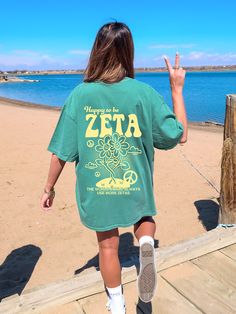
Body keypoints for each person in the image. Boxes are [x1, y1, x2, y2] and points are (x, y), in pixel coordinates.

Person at [40, 21, 187, 314]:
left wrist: (49, 187)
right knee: (143, 217)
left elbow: (61, 153)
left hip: (98, 188)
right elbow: (179, 134)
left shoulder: (80, 95)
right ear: (129, 51)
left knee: (108, 247)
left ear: (97, 51)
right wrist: (176, 88)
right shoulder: (143, 93)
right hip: (136, 183)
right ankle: (145, 242)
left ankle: (116, 302)